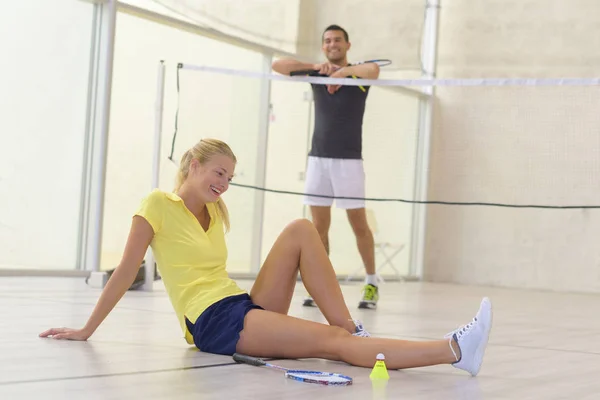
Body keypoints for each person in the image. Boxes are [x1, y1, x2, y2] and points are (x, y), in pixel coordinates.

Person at [39, 138, 493, 377]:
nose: (224, 183)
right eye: (219, 172)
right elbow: (124, 272)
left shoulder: (216, 211)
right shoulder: (158, 204)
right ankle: (454, 349)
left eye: (230, 176)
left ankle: (355, 331)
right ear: (193, 165)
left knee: (300, 229)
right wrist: (86, 330)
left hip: (239, 306)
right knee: (332, 345)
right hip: (213, 322)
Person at [271, 25, 381, 309]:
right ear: (324, 47)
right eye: (328, 41)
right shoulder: (316, 72)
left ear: (348, 44)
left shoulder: (358, 74)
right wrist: (317, 67)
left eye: (338, 40)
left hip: (349, 162)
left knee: (359, 225)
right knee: (318, 228)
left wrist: (341, 73)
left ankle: (371, 282)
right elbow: (277, 64)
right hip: (318, 160)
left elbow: (374, 71)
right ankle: (323, 287)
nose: (333, 44)